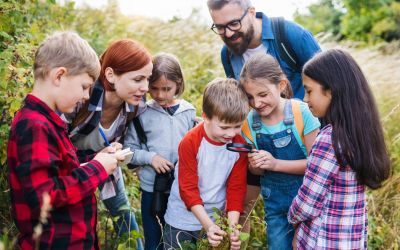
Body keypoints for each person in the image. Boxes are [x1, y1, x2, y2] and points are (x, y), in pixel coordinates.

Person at [207, 0, 322, 235]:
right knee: (241, 204)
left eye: (234, 23)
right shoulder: (227, 54)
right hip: (259, 136)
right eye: (219, 27)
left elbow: (329, 81)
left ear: (251, 12)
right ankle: (238, 240)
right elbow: (240, 101)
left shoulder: (289, 35)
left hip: (301, 138)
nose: (228, 33)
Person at [7, 31, 124, 249]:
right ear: (59, 76)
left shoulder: (48, 122)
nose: (87, 96)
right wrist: (97, 168)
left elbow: (62, 169)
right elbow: (46, 196)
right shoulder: (34, 126)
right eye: (84, 86)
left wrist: (97, 158)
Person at [288, 49, 391, 249]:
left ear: (331, 91)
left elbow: (308, 202)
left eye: (309, 91)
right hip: (350, 240)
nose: (305, 99)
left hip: (322, 241)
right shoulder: (360, 132)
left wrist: (291, 216)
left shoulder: (329, 139)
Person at [62, 39, 152, 249]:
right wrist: (94, 159)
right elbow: (55, 146)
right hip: (71, 168)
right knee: (73, 219)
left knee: (123, 213)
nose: (144, 87)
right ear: (111, 75)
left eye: (147, 79)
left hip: (106, 163)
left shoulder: (135, 106)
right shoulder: (82, 98)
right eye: (138, 79)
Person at [239, 53, 320, 250]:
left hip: (309, 203)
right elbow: (257, 173)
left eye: (263, 94)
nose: (256, 103)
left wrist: (275, 163)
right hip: (276, 209)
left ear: (281, 85)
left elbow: (316, 165)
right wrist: (256, 166)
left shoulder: (302, 112)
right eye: (250, 97)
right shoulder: (249, 123)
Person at [162, 78, 249, 250]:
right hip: (181, 221)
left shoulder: (239, 145)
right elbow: (188, 189)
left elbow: (236, 188)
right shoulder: (191, 142)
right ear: (205, 117)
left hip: (216, 220)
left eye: (237, 126)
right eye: (224, 128)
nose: (231, 133)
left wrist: (232, 227)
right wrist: (208, 225)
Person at [124, 52, 196, 250]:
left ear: (178, 84)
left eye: (167, 89)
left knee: (179, 240)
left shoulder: (188, 111)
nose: (160, 95)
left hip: (180, 190)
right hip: (151, 189)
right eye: (154, 89)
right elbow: (128, 150)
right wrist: (151, 157)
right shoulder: (142, 113)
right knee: (153, 239)